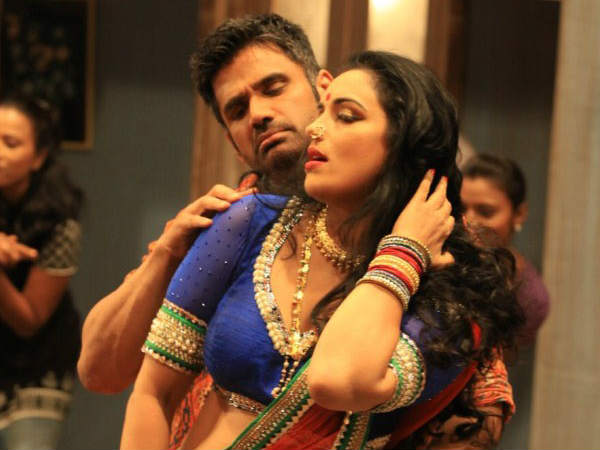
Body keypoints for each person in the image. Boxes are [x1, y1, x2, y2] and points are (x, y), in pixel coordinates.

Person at [120, 51, 523, 450]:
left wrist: (403, 254)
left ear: (405, 143)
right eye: (321, 111)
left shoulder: (443, 296)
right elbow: (153, 393)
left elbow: (336, 380)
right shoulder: (248, 223)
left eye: (345, 116)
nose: (315, 128)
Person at [0, 94, 83, 449]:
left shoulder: (59, 222)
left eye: (10, 143)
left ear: (38, 157)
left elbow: (28, 320)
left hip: (37, 368)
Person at [461, 153, 550, 346]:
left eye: (486, 212)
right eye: (461, 208)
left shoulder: (529, 297)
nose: (469, 221)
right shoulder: (437, 257)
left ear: (519, 214)